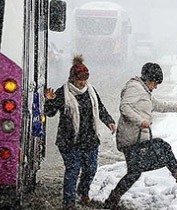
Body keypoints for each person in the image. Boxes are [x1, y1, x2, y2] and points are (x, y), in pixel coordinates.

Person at [103, 62, 177, 210]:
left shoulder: (144, 91)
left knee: (137, 170)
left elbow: (157, 105)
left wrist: (176, 105)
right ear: (147, 78)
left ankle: (111, 200)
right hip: (131, 138)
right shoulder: (134, 88)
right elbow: (124, 107)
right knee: (158, 151)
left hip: (137, 138)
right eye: (155, 82)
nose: (156, 86)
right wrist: (140, 121)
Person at [44, 55, 116, 210]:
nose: (83, 83)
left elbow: (100, 108)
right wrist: (49, 100)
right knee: (73, 169)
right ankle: (69, 203)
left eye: (85, 79)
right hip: (69, 141)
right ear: (72, 79)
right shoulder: (63, 93)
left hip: (90, 139)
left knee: (91, 168)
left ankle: (83, 192)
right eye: (80, 80)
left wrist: (109, 121)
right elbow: (49, 113)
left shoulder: (90, 91)